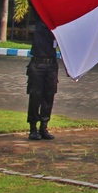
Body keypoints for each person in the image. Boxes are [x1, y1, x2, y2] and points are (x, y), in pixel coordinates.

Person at [26, 10, 58, 141]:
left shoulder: (57, 25)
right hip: (37, 64)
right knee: (35, 96)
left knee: (48, 96)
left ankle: (43, 127)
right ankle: (33, 128)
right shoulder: (39, 18)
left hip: (51, 65)